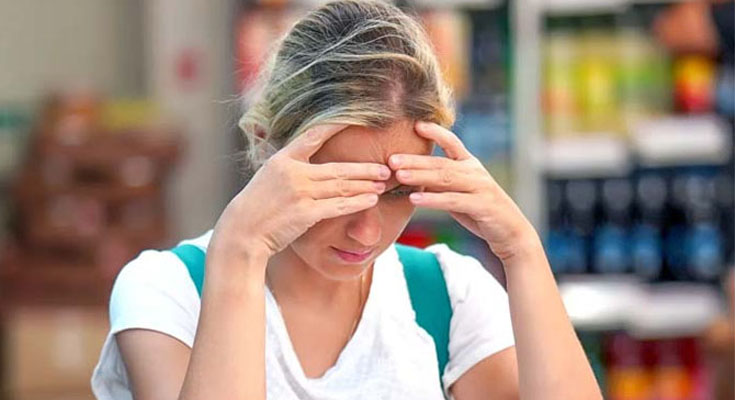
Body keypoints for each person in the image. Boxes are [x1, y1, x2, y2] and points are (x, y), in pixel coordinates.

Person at [91, 1, 601, 399]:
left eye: (397, 193)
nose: (367, 231)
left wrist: (521, 250)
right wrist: (240, 249)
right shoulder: (168, 293)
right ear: (267, 144)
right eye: (337, 189)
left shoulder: (449, 296)